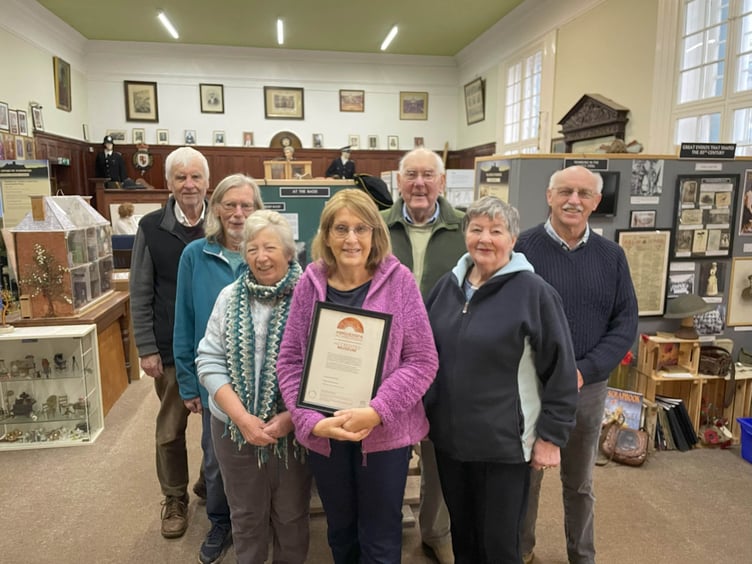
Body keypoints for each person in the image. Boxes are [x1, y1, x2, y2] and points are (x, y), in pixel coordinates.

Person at [277, 189, 438, 564]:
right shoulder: (310, 283)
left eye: (361, 228)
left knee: (381, 539)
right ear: (327, 235)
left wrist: (378, 410)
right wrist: (309, 421)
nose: (351, 239)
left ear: (374, 234)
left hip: (384, 434)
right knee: (341, 533)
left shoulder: (399, 282)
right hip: (326, 434)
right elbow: (289, 361)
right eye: (341, 228)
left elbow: (422, 360)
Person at [424, 195, 579, 563]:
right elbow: (426, 354)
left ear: (513, 239)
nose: (485, 238)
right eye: (476, 229)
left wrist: (551, 438)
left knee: (499, 547)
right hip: (450, 442)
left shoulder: (535, 293)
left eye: (496, 231)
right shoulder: (448, 287)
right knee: (464, 539)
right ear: (465, 234)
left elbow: (560, 370)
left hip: (505, 447)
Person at [516, 165, 639, 564]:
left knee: (580, 481)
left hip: (588, 386)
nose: (574, 200)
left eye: (584, 194)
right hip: (533, 385)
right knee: (526, 476)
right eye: (565, 191)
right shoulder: (522, 249)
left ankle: (582, 555)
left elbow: (625, 323)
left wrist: (586, 368)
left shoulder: (612, 257)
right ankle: (521, 551)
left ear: (596, 203)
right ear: (549, 196)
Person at [196, 210, 311, 563]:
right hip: (233, 427)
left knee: (291, 517)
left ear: (290, 252)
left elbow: (321, 369)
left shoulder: (310, 296)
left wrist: (290, 417)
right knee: (245, 517)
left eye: (271, 247)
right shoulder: (229, 297)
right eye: (253, 249)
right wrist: (243, 418)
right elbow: (209, 360)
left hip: (293, 426)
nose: (261, 257)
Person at [381, 147, 466, 564]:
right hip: (382, 362)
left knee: (438, 450)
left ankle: (435, 530)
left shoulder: (467, 229)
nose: (419, 183)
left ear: (442, 182)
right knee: (387, 446)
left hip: (443, 361)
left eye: (428, 175)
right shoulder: (374, 227)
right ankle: (386, 526)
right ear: (398, 181)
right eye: (411, 174)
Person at [174, 174, 264, 563]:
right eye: (230, 204)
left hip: (265, 381)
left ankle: (262, 521)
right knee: (216, 460)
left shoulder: (268, 254)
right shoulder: (194, 254)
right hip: (216, 383)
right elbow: (184, 319)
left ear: (258, 210)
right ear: (217, 209)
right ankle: (220, 521)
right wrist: (188, 383)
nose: (239, 213)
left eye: (247, 205)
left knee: (266, 457)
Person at [130, 146, 210, 541]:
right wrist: (146, 346)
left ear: (207, 182)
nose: (189, 184)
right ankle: (174, 497)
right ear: (168, 183)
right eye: (181, 177)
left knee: (219, 426)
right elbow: (140, 290)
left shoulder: (227, 222)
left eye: (196, 176)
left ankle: (208, 484)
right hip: (169, 348)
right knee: (170, 429)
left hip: (219, 349)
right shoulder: (150, 227)